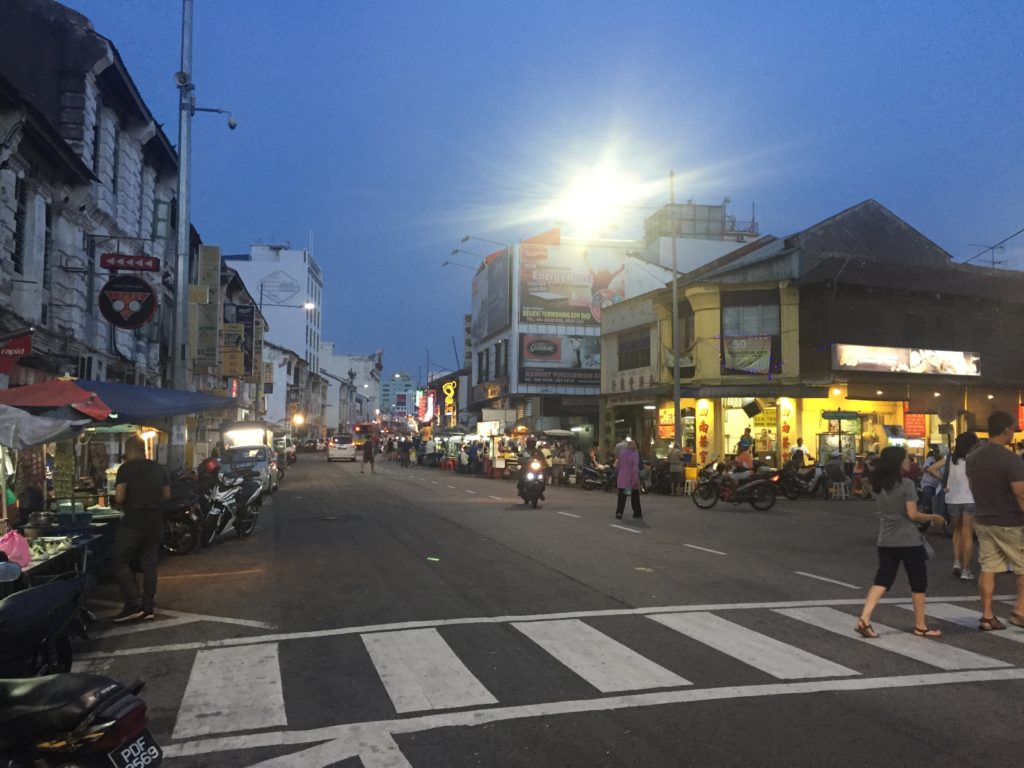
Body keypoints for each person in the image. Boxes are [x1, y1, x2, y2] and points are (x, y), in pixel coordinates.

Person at [855, 446, 946, 639]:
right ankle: (920, 625)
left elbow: (866, 478)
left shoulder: (878, 484)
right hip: (908, 539)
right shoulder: (906, 484)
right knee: (918, 581)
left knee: (882, 580)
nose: (910, 462)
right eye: (906, 459)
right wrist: (934, 517)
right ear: (898, 463)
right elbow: (912, 514)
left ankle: (865, 617)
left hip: (886, 538)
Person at [966, 411, 1024, 630]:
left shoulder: (973, 457)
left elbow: (972, 487)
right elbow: (1020, 493)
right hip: (1010, 521)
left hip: (983, 518)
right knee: (1022, 567)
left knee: (988, 567)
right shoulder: (1011, 459)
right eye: (1013, 428)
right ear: (1006, 430)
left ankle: (987, 615)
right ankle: (1020, 611)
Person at [112, 435, 170, 623]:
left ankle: (132, 604)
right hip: (155, 521)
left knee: (120, 560)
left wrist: (121, 501)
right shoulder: (158, 467)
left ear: (129, 450)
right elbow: (167, 495)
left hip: (133, 521)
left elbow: (120, 497)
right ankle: (148, 607)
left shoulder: (125, 468)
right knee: (149, 563)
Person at [928, 432, 979, 581]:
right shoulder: (973, 459)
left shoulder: (950, 458)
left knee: (957, 531)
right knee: (968, 533)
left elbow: (931, 469)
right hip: (970, 499)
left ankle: (956, 562)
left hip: (952, 499)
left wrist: (945, 482)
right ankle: (966, 570)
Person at [614, 438, 643, 520]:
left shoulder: (622, 455)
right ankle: (637, 513)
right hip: (631, 482)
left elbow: (617, 467)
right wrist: (635, 481)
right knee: (635, 498)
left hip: (622, 480)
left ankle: (619, 513)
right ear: (634, 447)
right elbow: (635, 469)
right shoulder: (635, 455)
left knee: (621, 499)